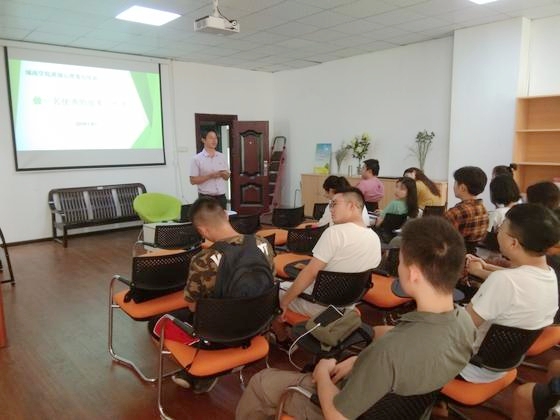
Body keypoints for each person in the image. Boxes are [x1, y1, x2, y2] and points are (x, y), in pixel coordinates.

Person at [236, 217, 476, 420]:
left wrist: (322, 372)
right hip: (397, 407)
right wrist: (360, 360)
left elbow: (337, 415)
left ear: (413, 274)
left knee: (260, 383)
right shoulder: (464, 323)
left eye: (401, 261)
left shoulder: (388, 353)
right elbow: (406, 348)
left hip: (346, 409)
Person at [152, 197, 275, 392]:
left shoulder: (203, 259)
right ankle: (209, 369)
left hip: (221, 333)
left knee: (157, 323)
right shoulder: (263, 244)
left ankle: (205, 368)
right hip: (259, 324)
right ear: (226, 215)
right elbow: (269, 283)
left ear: (202, 230)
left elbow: (193, 306)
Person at [460, 204, 560, 383]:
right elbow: (517, 279)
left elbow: (459, 329)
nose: (497, 232)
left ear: (513, 243)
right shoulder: (549, 274)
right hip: (501, 366)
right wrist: (484, 267)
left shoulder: (504, 281)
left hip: (470, 368)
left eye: (500, 228)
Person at [278, 188, 381, 324]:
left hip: (319, 305)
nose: (331, 209)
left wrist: (284, 302)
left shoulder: (334, 233)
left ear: (352, 206)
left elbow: (310, 273)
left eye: (334, 204)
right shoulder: (374, 238)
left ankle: (281, 334)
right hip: (348, 305)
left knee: (273, 291)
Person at [445, 166, 489, 247]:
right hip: (474, 252)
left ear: (462, 188)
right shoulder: (483, 209)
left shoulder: (455, 213)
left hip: (455, 252)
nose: (453, 186)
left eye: (455, 182)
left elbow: (441, 237)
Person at [189, 129, 230, 209]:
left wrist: (224, 174)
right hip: (206, 198)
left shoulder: (222, 157)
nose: (214, 140)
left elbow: (227, 177)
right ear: (203, 140)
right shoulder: (197, 159)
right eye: (211, 138)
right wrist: (210, 176)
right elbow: (192, 181)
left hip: (221, 197)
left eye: (216, 138)